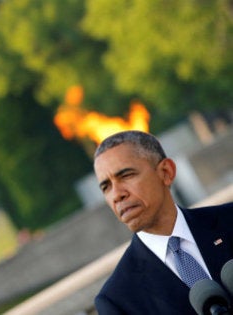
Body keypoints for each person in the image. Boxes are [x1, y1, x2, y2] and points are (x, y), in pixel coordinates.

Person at [93, 130, 233, 314]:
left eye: (126, 175)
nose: (117, 194)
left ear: (166, 172)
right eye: (106, 186)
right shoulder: (116, 298)